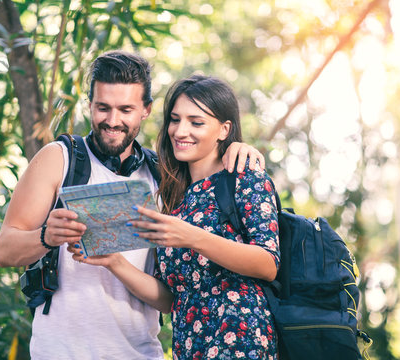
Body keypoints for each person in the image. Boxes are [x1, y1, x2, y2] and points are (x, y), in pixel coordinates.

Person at [0, 51, 266, 359]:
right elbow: (5, 250)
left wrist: (237, 147)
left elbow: (169, 299)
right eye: (103, 108)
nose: (113, 121)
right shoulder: (59, 159)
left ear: (146, 110)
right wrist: (46, 236)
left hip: (141, 353)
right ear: (90, 106)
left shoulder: (164, 176)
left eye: (125, 109)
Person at [69, 75, 280, 359]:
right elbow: (171, 299)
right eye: (175, 119)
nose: (180, 131)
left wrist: (193, 237)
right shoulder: (173, 197)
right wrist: (114, 262)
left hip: (241, 345)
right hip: (189, 349)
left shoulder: (244, 177)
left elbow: (268, 264)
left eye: (196, 122)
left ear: (223, 129)